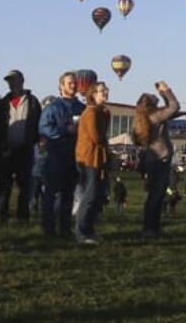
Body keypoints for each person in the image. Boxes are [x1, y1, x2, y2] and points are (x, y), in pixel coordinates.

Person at [38, 71, 84, 238]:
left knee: (68, 193)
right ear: (61, 86)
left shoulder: (82, 108)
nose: (73, 86)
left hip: (74, 155)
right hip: (56, 155)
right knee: (51, 193)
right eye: (69, 83)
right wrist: (65, 130)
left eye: (75, 83)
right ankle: (48, 227)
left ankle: (65, 227)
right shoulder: (53, 108)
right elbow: (44, 128)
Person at [132, 81, 180, 238]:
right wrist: (166, 91)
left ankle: (149, 226)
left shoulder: (140, 119)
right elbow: (173, 107)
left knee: (152, 194)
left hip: (149, 160)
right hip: (161, 158)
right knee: (157, 195)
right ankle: (151, 228)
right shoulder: (155, 116)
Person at [0, 69, 41, 223]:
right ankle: (2, 214)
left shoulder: (32, 101)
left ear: (22, 81)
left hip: (25, 147)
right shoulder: (3, 102)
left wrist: (35, 141)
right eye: (9, 81)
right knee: (4, 184)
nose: (11, 83)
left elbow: (37, 123)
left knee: (25, 184)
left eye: (14, 80)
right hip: (7, 148)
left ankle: (22, 215)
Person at [74, 81, 111, 244]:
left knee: (97, 195)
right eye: (101, 91)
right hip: (90, 158)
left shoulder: (101, 112)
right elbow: (97, 136)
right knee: (90, 195)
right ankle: (81, 231)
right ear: (93, 94)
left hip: (97, 158)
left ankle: (89, 228)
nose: (105, 93)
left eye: (105, 90)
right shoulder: (91, 113)